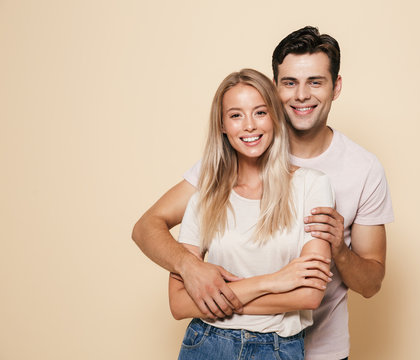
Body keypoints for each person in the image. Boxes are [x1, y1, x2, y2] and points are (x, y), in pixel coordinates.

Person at [133, 26, 394, 360]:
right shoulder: (225, 166)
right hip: (213, 342)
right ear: (274, 89)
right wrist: (191, 267)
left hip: (315, 349)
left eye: (315, 81)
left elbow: (368, 283)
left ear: (335, 86)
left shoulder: (358, 169)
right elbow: (147, 229)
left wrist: (338, 251)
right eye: (289, 82)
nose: (301, 95)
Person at [168, 68, 335, 359]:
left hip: (278, 348)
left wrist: (213, 298)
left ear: (274, 117)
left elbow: (309, 295)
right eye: (235, 115)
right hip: (207, 343)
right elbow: (180, 304)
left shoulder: (313, 185)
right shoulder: (204, 198)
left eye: (259, 112)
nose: (249, 126)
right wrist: (273, 281)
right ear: (222, 125)